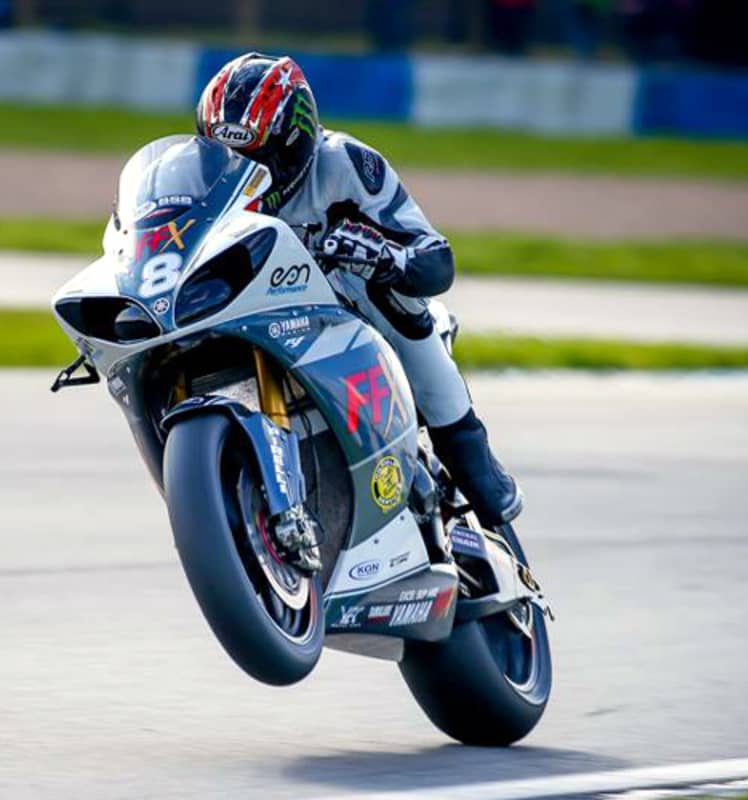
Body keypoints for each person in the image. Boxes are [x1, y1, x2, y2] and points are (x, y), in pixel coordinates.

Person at [195, 53, 523, 569]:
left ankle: (472, 460)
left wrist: (386, 256)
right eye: (230, 156)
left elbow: (436, 258)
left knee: (401, 308)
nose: (246, 173)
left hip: (353, 313)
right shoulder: (210, 188)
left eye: (258, 158)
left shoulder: (346, 164)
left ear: (293, 138)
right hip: (266, 319)